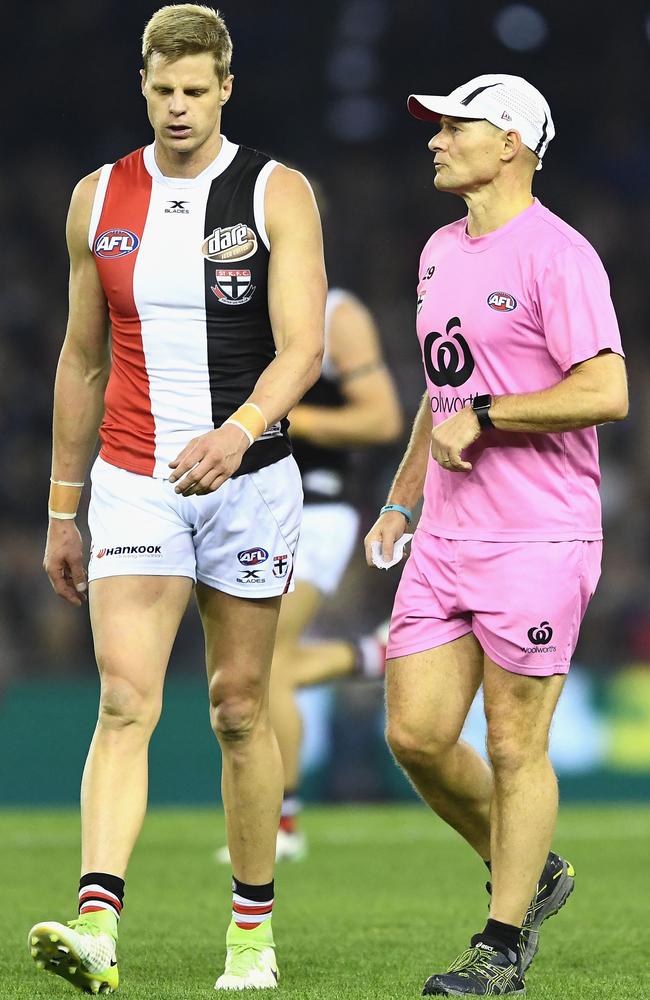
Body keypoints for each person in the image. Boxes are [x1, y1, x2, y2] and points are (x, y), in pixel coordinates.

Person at [29, 4, 325, 994]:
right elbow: (79, 357)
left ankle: (249, 938)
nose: (179, 108)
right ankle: (97, 923)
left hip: (248, 484)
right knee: (123, 699)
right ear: (143, 84)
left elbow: (303, 349)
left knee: (238, 708)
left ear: (226, 88)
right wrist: (63, 508)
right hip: (133, 480)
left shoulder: (277, 191)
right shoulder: (97, 196)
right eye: (163, 91)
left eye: (197, 91)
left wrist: (238, 430)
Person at [365, 74, 627, 996]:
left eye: (454, 126)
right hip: (445, 535)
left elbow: (606, 391)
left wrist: (489, 412)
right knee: (418, 735)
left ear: (510, 140)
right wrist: (404, 499)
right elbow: (443, 397)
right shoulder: (440, 248)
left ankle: (501, 944)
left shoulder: (560, 256)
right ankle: (536, 867)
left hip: (537, 538)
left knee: (517, 746)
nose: (435, 139)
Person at [216, 285, 403, 864]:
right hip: (246, 501)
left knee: (264, 662)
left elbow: (382, 417)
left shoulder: (335, 313)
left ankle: (282, 821)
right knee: (251, 665)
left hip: (316, 504)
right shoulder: (227, 305)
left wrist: (273, 413)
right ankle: (369, 657)